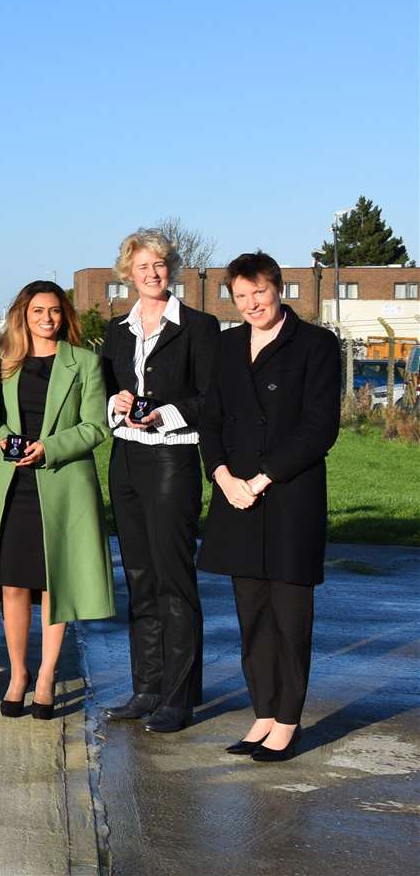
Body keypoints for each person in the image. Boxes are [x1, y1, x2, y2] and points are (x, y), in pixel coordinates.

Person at [198, 253, 340, 762]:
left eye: (259, 293)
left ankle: (288, 721)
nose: (251, 304)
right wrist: (221, 476)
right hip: (234, 495)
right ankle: (262, 713)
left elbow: (319, 428)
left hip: (288, 496)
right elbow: (210, 419)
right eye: (241, 296)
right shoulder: (227, 345)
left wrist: (260, 479)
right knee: (251, 614)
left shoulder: (317, 345)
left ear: (278, 289)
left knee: (289, 615)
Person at [98, 228, 219, 734]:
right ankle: (146, 686)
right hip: (126, 460)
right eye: (143, 266)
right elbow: (104, 391)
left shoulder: (199, 326)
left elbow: (212, 398)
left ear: (172, 269)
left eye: (161, 265)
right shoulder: (116, 332)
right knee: (140, 579)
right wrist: (117, 405)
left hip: (173, 458)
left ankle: (178, 695)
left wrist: (165, 413)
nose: (152, 273)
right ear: (128, 273)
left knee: (173, 579)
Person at [0, 281, 114, 720]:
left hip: (63, 485)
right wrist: (1, 443)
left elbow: (96, 427)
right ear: (24, 314)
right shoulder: (2, 364)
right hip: (12, 486)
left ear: (65, 315)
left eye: (54, 311)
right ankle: (18, 674)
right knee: (14, 584)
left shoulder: (86, 363)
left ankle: (46, 676)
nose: (47, 319)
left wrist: (48, 448)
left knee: (56, 584)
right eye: (38, 311)